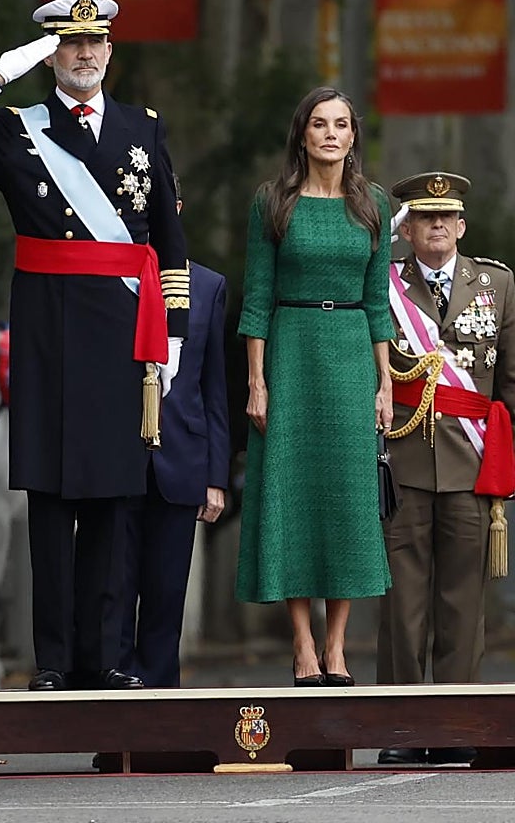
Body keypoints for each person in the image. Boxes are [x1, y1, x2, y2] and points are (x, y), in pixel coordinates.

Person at [0, 0, 189, 692]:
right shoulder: (18, 129)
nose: (84, 54)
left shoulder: (143, 129)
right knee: (49, 501)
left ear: (110, 51)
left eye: (95, 43)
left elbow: (169, 241)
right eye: (69, 45)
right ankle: (51, 660)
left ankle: (104, 656)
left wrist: (179, 338)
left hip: (124, 337)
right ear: (51, 54)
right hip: (46, 332)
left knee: (112, 500)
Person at [236, 86, 394, 687]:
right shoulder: (272, 201)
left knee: (348, 501)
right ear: (302, 134)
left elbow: (378, 302)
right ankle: (301, 644)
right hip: (292, 349)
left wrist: (383, 382)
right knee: (290, 496)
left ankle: (337, 648)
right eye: (320, 124)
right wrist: (257, 379)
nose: (331, 133)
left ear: (354, 137)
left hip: (351, 353)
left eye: (342, 125)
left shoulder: (372, 204)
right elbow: (256, 298)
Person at [376, 173, 515, 766]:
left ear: (462, 226)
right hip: (403, 460)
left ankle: (459, 723)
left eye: (447, 217)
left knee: (463, 600)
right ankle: (405, 729)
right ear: (405, 229)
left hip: (471, 461)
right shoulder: (383, 285)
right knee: (403, 604)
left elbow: (509, 379)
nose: (437, 226)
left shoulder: (497, 283)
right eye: (425, 218)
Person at [121, 176, 230, 688]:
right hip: (115, 458)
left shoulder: (207, 285)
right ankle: (113, 703)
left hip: (182, 459)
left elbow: (215, 390)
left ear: (179, 208)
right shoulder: (109, 278)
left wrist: (216, 475)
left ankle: (160, 711)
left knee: (166, 594)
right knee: (113, 591)